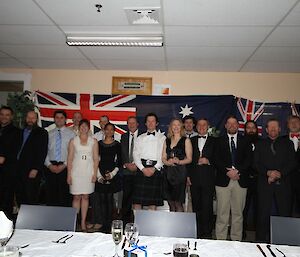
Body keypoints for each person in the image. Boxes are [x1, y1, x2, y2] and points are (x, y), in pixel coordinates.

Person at [255, 118, 297, 242]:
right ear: (266, 130)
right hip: (264, 183)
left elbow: (292, 163)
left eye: (275, 127)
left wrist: (279, 173)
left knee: (284, 214)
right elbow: (255, 163)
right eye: (270, 127)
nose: (273, 129)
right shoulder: (260, 144)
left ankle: (284, 242)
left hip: (283, 184)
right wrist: (268, 172)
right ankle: (260, 243)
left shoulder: (288, 144)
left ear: (279, 129)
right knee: (262, 214)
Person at [214, 115, 252, 241]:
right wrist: (227, 172)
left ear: (238, 125)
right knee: (222, 213)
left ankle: (236, 241)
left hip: (240, 180)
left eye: (234, 123)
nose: (231, 125)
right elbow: (216, 159)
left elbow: (249, 160)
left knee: (238, 214)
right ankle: (221, 241)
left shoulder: (246, 141)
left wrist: (237, 171)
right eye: (229, 123)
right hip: (223, 181)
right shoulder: (218, 141)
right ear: (225, 126)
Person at [67, 119, 99, 232]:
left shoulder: (93, 141)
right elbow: (70, 159)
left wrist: (95, 174)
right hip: (75, 172)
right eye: (82, 126)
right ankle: (74, 221)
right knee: (76, 197)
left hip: (88, 172)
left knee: (85, 196)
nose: (83, 128)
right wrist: (68, 175)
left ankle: (83, 222)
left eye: (86, 126)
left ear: (89, 128)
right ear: (78, 127)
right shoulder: (73, 141)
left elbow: (96, 159)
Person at [188, 118, 216, 239]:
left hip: (208, 179)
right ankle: (197, 232)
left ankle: (207, 233)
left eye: (204, 125)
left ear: (208, 126)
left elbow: (220, 159)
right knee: (196, 206)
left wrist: (209, 161)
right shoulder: (190, 140)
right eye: (199, 125)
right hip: (194, 178)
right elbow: (188, 160)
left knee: (208, 206)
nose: (201, 127)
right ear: (196, 127)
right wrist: (187, 176)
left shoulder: (215, 141)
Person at [133, 113, 166, 210]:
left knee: (152, 202)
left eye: (153, 121)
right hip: (141, 168)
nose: (151, 123)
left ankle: (150, 225)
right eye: (148, 121)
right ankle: (137, 224)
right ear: (145, 123)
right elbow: (135, 154)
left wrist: (155, 168)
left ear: (157, 123)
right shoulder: (140, 138)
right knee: (137, 201)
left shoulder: (162, 138)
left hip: (155, 168)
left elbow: (163, 155)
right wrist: (142, 168)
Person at [16, 110, 48, 205]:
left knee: (31, 197)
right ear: (25, 119)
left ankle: (31, 219)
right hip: (18, 169)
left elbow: (42, 152)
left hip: (31, 170)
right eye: (28, 118)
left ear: (37, 119)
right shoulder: (20, 132)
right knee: (20, 195)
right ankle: (21, 218)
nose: (30, 120)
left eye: (33, 118)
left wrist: (36, 168)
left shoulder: (42, 133)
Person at [44, 110, 75, 206]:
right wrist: (49, 165)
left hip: (65, 166)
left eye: (61, 117)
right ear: (54, 119)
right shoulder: (48, 134)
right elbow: (44, 151)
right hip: (50, 167)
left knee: (64, 195)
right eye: (57, 117)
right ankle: (52, 219)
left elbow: (73, 152)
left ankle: (64, 220)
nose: (59, 119)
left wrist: (64, 165)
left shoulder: (72, 134)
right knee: (51, 194)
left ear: (65, 119)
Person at [95, 123, 122, 232]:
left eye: (112, 130)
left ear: (114, 131)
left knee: (110, 200)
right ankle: (103, 224)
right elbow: (95, 160)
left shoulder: (117, 145)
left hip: (112, 174)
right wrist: (99, 176)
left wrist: (112, 174)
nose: (109, 131)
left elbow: (119, 161)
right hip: (100, 173)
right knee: (101, 199)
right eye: (107, 129)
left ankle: (109, 224)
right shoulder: (98, 144)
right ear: (104, 131)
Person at [162, 118, 192, 212]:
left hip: (180, 173)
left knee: (178, 203)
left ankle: (180, 226)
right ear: (171, 127)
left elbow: (189, 159)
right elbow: (163, 158)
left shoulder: (186, 140)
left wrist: (179, 161)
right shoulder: (166, 140)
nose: (176, 127)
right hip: (167, 173)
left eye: (178, 125)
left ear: (181, 127)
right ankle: (172, 226)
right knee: (170, 203)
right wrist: (168, 162)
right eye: (174, 125)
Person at [0, 106, 21, 218]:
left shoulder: (16, 132)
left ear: (11, 117)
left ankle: (5, 226)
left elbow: (14, 150)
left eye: (7, 115)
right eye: (2, 114)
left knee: (6, 200)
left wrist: (3, 157)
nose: (4, 117)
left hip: (8, 172)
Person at [120, 116, 140, 224]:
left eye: (133, 123)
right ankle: (125, 221)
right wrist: (125, 164)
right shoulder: (123, 137)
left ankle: (138, 221)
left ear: (138, 124)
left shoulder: (143, 136)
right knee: (126, 197)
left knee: (138, 198)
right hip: (127, 172)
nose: (131, 125)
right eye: (129, 123)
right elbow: (121, 154)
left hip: (139, 171)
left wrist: (137, 165)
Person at [243, 120, 259, 239]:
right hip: (244, 179)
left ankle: (259, 233)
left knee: (259, 207)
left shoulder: (262, 142)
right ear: (245, 130)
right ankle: (242, 231)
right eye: (248, 128)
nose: (251, 130)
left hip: (259, 180)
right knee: (243, 207)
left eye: (253, 128)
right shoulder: (241, 142)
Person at [286, 115, 300, 216]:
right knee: (286, 209)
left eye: (296, 122)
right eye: (291, 122)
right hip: (286, 181)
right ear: (287, 125)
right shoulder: (281, 140)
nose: (294, 124)